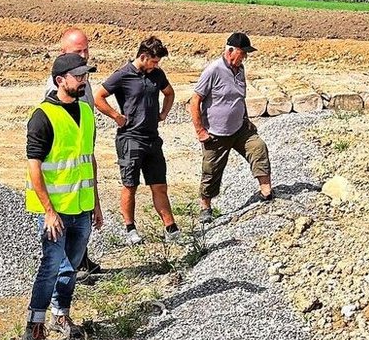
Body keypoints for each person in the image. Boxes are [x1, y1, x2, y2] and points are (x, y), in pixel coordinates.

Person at [22, 53, 103, 340]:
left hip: (81, 207)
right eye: (78, 76)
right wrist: (48, 211)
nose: (84, 81)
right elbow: (34, 167)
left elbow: (88, 159)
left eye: (85, 76)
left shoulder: (86, 111)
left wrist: (95, 203)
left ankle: (61, 315)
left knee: (71, 267)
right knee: (51, 266)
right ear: (60, 80)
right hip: (55, 211)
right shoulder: (42, 116)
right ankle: (34, 327)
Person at [93, 36, 181, 245]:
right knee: (130, 185)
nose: (156, 65)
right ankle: (130, 229)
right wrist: (116, 116)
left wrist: (163, 113)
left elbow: (169, 93)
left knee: (159, 185)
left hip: (152, 139)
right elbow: (98, 97)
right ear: (143, 56)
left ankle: (171, 228)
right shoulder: (123, 75)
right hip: (130, 138)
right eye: (154, 61)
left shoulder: (157, 74)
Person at [188, 32, 273, 227]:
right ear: (230, 51)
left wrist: (246, 118)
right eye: (243, 53)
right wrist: (200, 130)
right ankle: (205, 207)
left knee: (258, 148)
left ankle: (266, 191)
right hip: (216, 133)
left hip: (240, 128)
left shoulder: (240, 69)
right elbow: (195, 100)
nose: (245, 57)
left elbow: (239, 98)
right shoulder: (213, 70)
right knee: (211, 170)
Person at [46, 27, 108, 278]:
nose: (83, 55)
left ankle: (79, 261)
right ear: (63, 53)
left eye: (86, 50)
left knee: (81, 219)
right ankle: (67, 272)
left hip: (83, 153)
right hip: (66, 164)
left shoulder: (84, 79)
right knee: (68, 221)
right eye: (77, 51)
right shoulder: (59, 86)